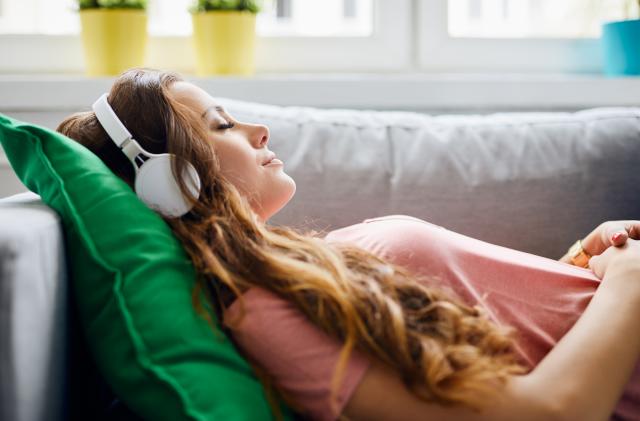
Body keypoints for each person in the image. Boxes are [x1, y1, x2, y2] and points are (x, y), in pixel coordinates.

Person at [57, 67, 640, 421]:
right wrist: (627, 282)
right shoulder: (270, 316)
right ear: (172, 182)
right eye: (222, 124)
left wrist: (580, 263)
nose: (259, 130)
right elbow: (552, 412)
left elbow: (503, 331)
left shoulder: (302, 274)